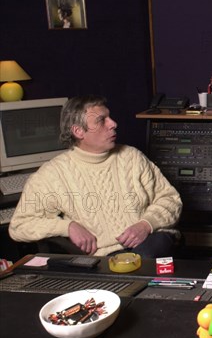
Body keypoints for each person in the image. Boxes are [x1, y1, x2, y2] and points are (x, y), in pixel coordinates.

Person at [9, 95, 182, 258]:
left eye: (110, 117)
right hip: (104, 259)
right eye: (101, 121)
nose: (113, 123)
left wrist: (146, 224)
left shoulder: (132, 157)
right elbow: (19, 226)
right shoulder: (53, 174)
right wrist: (67, 227)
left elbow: (170, 199)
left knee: (153, 249)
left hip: (151, 243)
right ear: (78, 131)